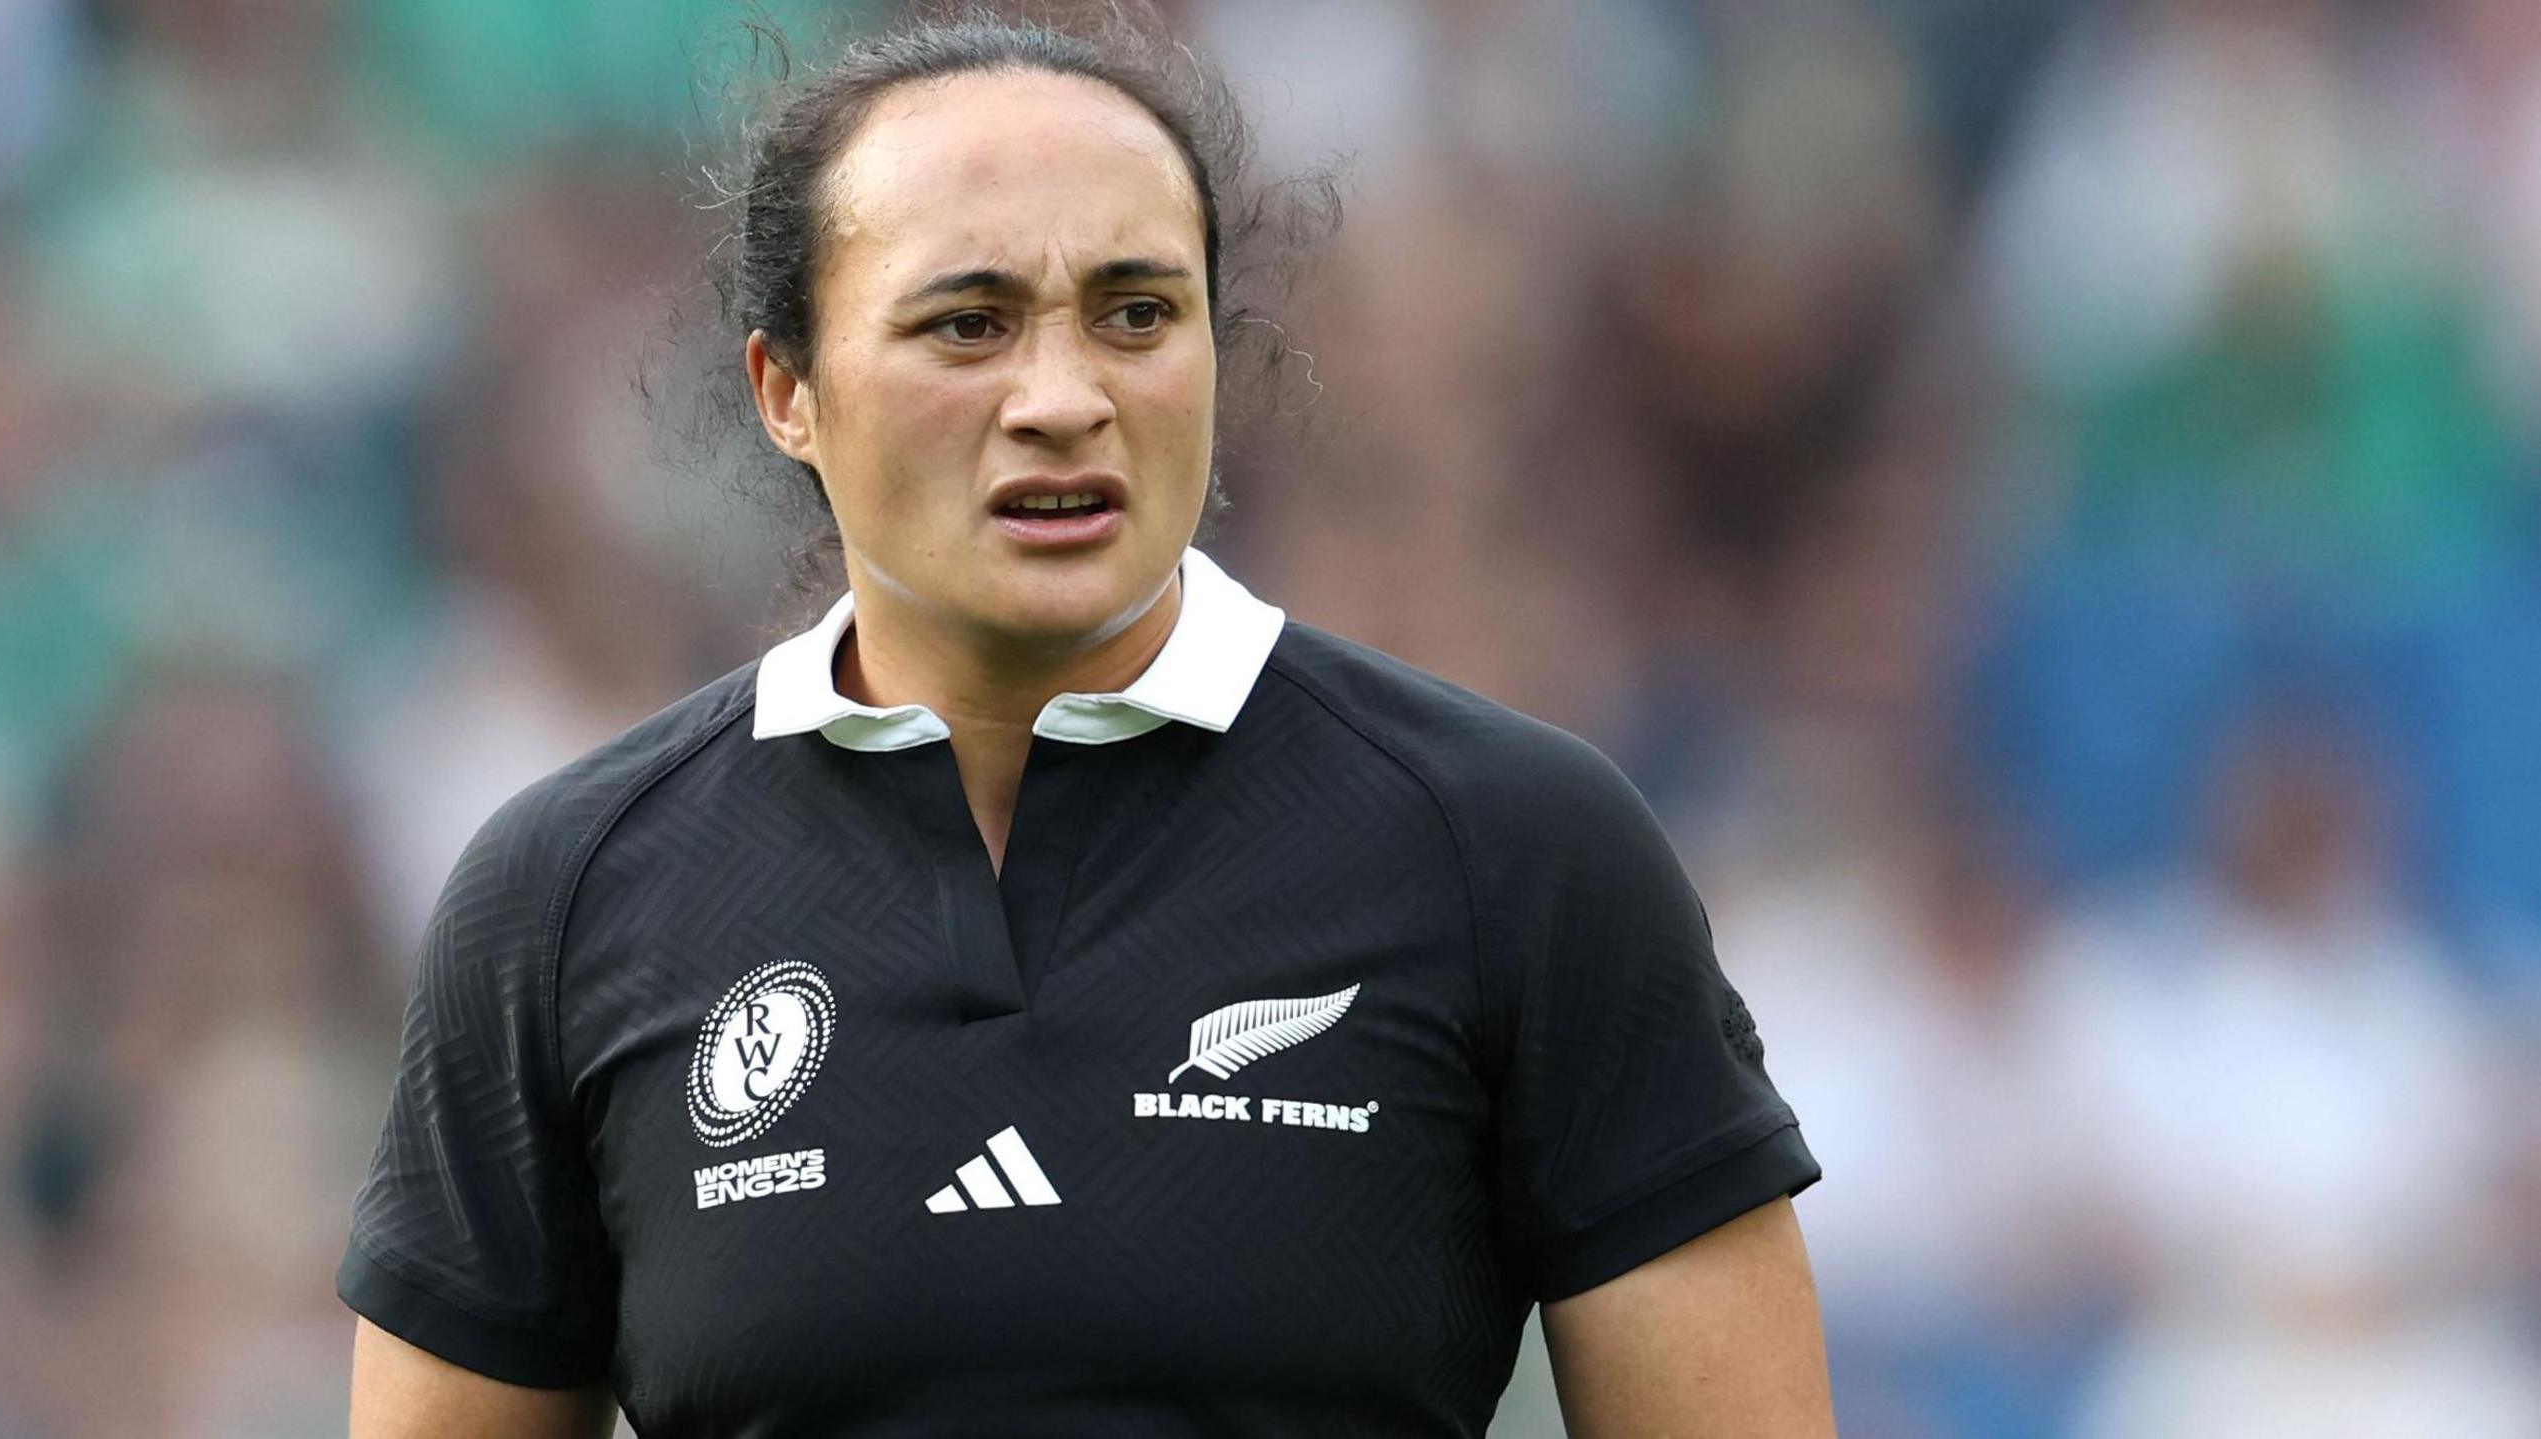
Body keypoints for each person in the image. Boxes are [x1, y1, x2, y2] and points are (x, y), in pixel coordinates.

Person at [336, 10, 1833, 1436]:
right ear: (787, 391)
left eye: (1134, 313)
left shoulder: (1517, 848)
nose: (1064, 397)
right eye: (968, 324)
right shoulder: (569, 897)